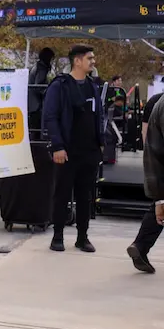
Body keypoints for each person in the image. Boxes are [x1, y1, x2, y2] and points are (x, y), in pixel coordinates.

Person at [42, 44, 104, 253]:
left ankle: (82, 237)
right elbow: (50, 117)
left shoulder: (92, 86)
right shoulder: (59, 86)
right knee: (61, 194)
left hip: (90, 151)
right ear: (77, 61)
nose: (93, 62)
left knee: (85, 195)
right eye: (90, 58)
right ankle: (57, 236)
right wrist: (58, 146)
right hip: (67, 151)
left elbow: (98, 116)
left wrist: (100, 142)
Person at [127, 97, 164, 273]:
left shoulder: (158, 103)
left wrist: (158, 197)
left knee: (160, 208)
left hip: (158, 165)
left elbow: (150, 142)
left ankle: (140, 245)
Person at [28, 47, 54, 139]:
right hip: (36, 105)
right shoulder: (41, 68)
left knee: (34, 129)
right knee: (37, 130)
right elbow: (38, 86)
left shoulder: (36, 67)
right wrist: (48, 93)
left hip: (32, 104)